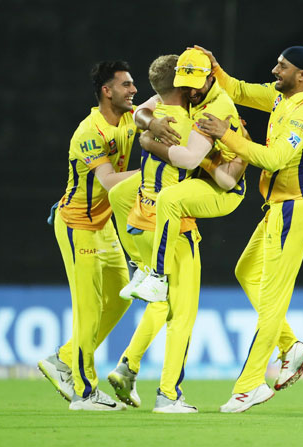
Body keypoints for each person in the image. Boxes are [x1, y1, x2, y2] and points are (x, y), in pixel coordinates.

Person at [105, 50, 247, 413]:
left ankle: (128, 366)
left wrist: (147, 135)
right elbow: (205, 167)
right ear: (185, 87)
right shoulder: (191, 123)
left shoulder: (154, 116)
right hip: (174, 228)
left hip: (140, 217)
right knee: (182, 314)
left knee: (161, 303)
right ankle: (169, 394)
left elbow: (141, 118)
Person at [197, 45, 303, 413]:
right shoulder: (280, 97)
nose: (274, 70)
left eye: (282, 66)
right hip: (281, 207)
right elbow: (236, 89)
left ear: (301, 75)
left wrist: (227, 135)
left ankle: (249, 385)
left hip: (294, 210)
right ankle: (292, 346)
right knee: (246, 271)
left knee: (271, 303)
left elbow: (273, 159)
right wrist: (216, 68)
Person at [37, 61, 140, 411]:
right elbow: (110, 182)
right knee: (89, 309)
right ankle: (84, 392)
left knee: (123, 296)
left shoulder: (129, 118)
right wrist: (155, 173)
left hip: (104, 223)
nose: (134, 90)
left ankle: (64, 358)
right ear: (106, 91)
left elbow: (159, 104)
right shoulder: (88, 132)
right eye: (126, 85)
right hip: (76, 224)